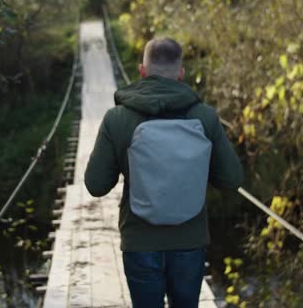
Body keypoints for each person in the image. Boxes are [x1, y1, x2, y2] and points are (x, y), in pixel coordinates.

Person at [84, 37, 244, 307]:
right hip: (189, 242)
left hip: (140, 242)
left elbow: (96, 184)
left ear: (142, 70)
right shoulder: (204, 117)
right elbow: (232, 179)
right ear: (181, 74)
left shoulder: (117, 119)